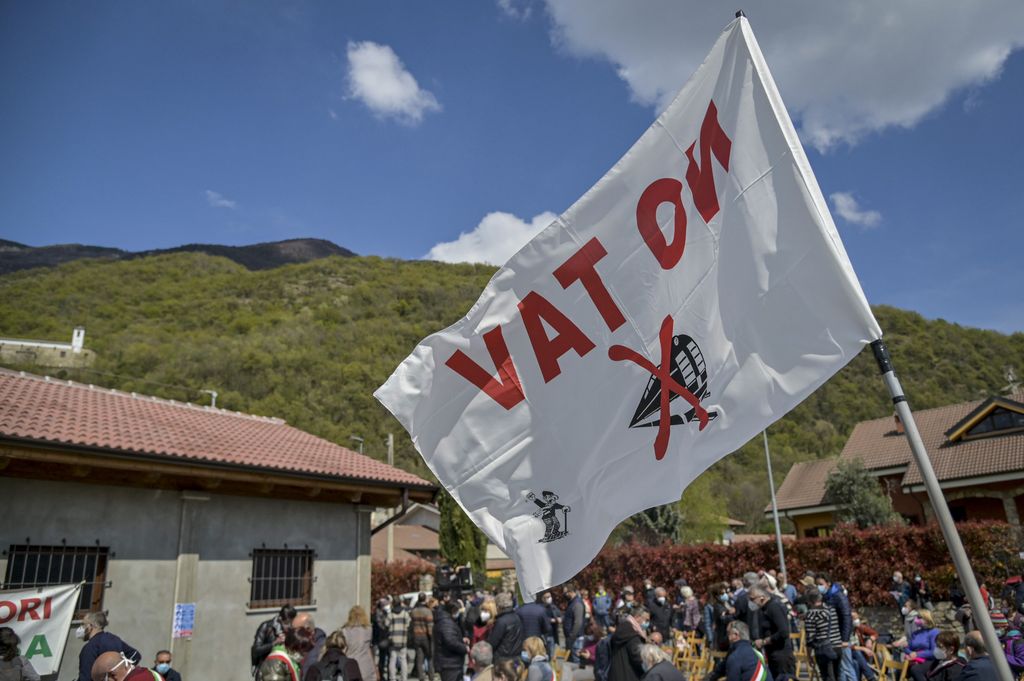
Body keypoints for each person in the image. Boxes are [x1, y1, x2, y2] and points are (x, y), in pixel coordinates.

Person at [77, 612, 141, 681]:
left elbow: (86, 678)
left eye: (83, 624)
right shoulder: (113, 639)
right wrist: (123, 670)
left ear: (90, 626)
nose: (81, 628)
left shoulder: (90, 647)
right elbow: (135, 655)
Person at [748, 587, 792, 680]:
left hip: (781, 653)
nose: (751, 602)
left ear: (762, 598)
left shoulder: (774, 607)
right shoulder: (763, 609)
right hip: (772, 653)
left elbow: (784, 632)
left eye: (752, 599)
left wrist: (765, 641)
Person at [803, 590, 841, 681]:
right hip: (837, 646)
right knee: (837, 676)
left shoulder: (811, 614)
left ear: (809, 601)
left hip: (823, 649)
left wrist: (809, 655)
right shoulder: (830, 610)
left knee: (827, 677)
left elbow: (810, 637)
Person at [254, 606, 299, 673]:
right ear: (280, 619)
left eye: (291, 623)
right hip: (267, 670)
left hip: (285, 670)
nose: (289, 626)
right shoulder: (266, 627)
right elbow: (256, 650)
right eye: (287, 623)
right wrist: (275, 642)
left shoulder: (293, 629)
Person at [609, 606, 648, 681]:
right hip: (629, 675)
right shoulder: (633, 635)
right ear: (637, 617)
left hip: (616, 674)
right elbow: (638, 658)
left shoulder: (622, 628)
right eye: (646, 619)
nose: (646, 622)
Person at [434, 600, 469, 681]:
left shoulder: (447, 621)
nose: (459, 614)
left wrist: (461, 639)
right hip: (450, 664)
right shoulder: (446, 622)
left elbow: (449, 637)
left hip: (450, 663)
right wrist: (464, 648)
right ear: (453, 610)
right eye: (458, 611)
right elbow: (450, 641)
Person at [900, 610, 939, 678]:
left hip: (929, 660)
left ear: (927, 619)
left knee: (915, 670)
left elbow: (934, 652)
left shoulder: (934, 632)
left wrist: (917, 654)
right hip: (915, 660)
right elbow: (907, 648)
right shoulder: (915, 633)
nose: (916, 619)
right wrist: (910, 653)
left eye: (919, 617)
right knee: (899, 670)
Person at [343, 606, 378, 681]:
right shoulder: (368, 629)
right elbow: (369, 649)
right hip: (367, 665)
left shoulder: (345, 631)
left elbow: (344, 650)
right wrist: (375, 668)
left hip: (351, 665)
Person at [489, 593, 524, 664]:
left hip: (503, 660)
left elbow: (493, 642)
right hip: (516, 657)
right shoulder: (516, 617)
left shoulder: (501, 621)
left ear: (498, 606)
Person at [409, 594, 434, 681]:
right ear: (425, 600)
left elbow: (411, 624)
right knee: (430, 657)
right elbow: (430, 626)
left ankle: (421, 677)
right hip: (426, 636)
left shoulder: (413, 611)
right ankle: (431, 677)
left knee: (419, 659)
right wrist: (432, 637)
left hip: (416, 636)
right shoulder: (428, 611)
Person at [563, 584, 587, 661]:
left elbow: (578, 622)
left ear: (570, 592)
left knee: (575, 661)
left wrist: (572, 636)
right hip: (572, 638)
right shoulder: (571, 602)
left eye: (565, 593)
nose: (564, 595)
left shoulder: (577, 604)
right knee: (570, 661)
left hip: (576, 639)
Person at [389, 598, 411, 681]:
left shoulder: (391, 614)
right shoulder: (405, 614)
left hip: (393, 639)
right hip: (403, 638)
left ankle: (392, 678)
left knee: (392, 659)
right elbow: (408, 624)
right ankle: (404, 678)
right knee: (403, 659)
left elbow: (386, 623)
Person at [711, 583, 736, 653]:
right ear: (716, 596)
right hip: (723, 635)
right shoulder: (717, 606)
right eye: (722, 594)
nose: (725, 595)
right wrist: (733, 615)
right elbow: (723, 618)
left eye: (725, 593)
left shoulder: (727, 603)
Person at [375, 599, 393, 681]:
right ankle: (383, 676)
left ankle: (386, 676)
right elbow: (381, 626)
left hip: (383, 639)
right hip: (383, 639)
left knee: (385, 659)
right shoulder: (380, 614)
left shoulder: (380, 613)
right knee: (384, 659)